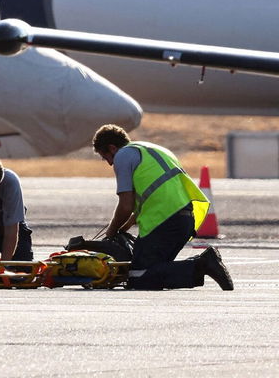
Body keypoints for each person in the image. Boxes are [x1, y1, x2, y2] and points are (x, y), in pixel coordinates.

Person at [92, 124, 233, 290]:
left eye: (106, 157)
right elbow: (151, 196)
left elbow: (125, 205)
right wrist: (126, 226)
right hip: (185, 220)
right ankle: (202, 264)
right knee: (155, 269)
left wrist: (111, 232)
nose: (109, 163)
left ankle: (203, 263)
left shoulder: (123, 156)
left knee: (138, 276)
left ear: (112, 148)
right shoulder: (151, 149)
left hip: (164, 222)